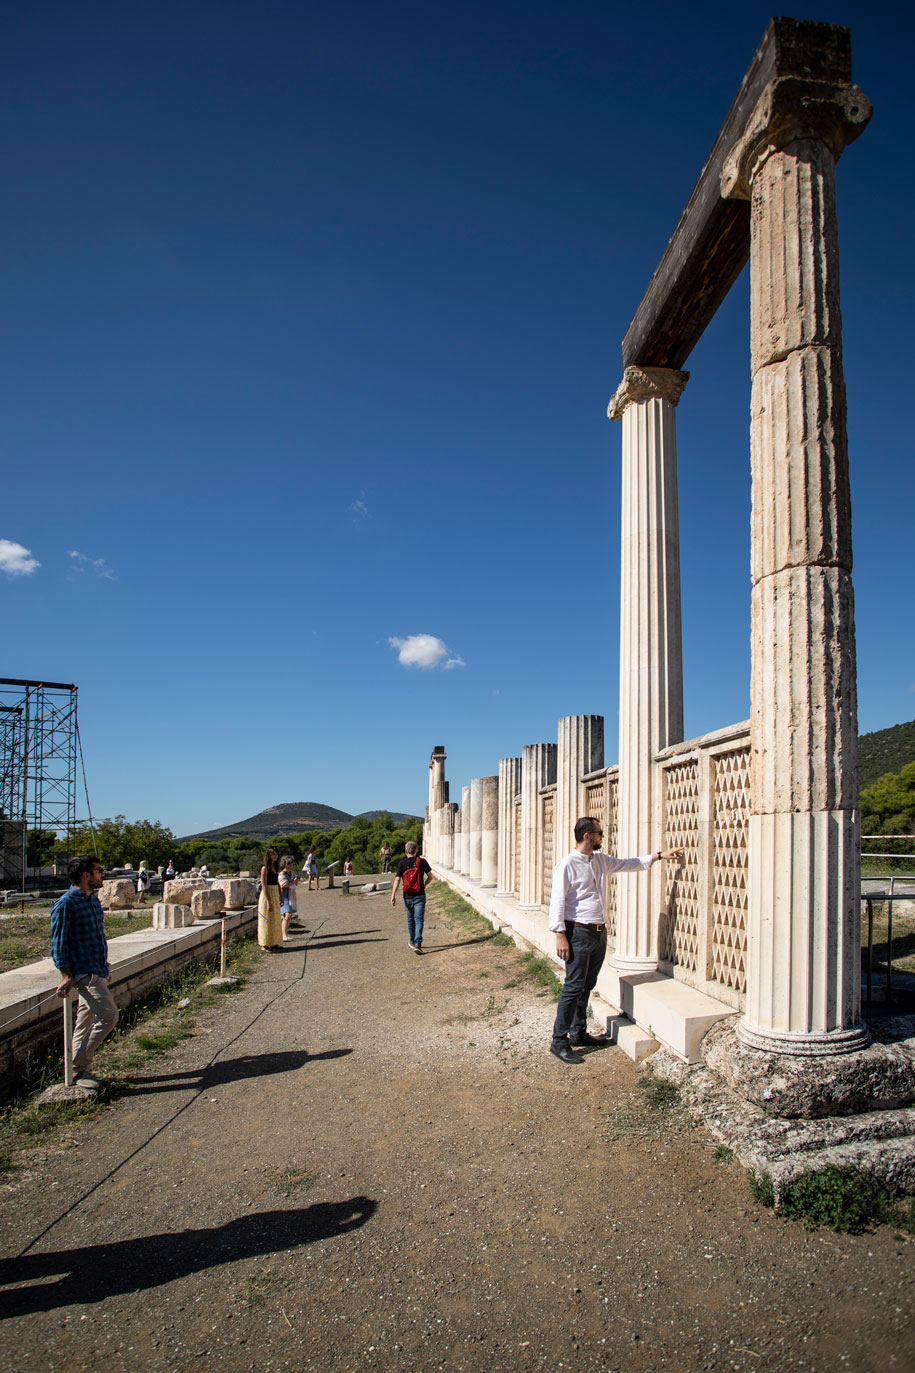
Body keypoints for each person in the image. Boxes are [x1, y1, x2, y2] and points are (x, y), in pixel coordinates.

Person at [548, 817, 683, 1064]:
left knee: (587, 985)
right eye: (600, 833)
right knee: (573, 986)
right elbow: (557, 900)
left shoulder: (600, 860)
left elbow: (627, 864)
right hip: (577, 933)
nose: (603, 837)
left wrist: (659, 856)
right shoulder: (567, 864)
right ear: (587, 836)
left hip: (598, 933)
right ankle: (559, 1041)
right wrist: (560, 935)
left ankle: (578, 1033)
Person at [50, 856, 119, 1087]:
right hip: (83, 973)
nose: (102, 874)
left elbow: (97, 937)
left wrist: (103, 966)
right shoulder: (66, 904)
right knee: (109, 1016)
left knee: (84, 1020)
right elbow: (58, 943)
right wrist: (66, 975)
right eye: (99, 870)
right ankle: (79, 1063)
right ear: (86, 875)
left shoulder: (93, 900)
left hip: (96, 968)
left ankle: (76, 1070)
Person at [391, 840, 433, 954]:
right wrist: (424, 884)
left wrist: (393, 895)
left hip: (407, 896)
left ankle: (412, 940)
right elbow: (430, 876)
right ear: (417, 850)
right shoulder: (422, 862)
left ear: (406, 851)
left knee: (411, 920)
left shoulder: (402, 863)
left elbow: (397, 880)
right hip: (420, 894)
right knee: (419, 919)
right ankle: (418, 943)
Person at [258, 847, 282, 951]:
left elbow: (277, 882)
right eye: (273, 854)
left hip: (275, 893)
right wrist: (268, 901)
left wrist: (281, 895)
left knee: (275, 918)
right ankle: (265, 943)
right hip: (267, 894)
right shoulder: (265, 868)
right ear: (269, 855)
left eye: (276, 854)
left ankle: (274, 942)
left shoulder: (275, 867)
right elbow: (264, 885)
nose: (275, 856)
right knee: (266, 919)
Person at [278, 856, 298, 942]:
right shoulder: (282, 874)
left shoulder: (291, 873)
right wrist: (293, 882)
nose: (290, 865)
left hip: (290, 895)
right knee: (287, 914)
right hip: (284, 895)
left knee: (288, 916)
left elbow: (294, 884)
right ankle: (283, 934)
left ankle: (284, 933)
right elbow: (283, 885)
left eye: (291, 863)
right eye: (288, 864)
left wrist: (295, 881)